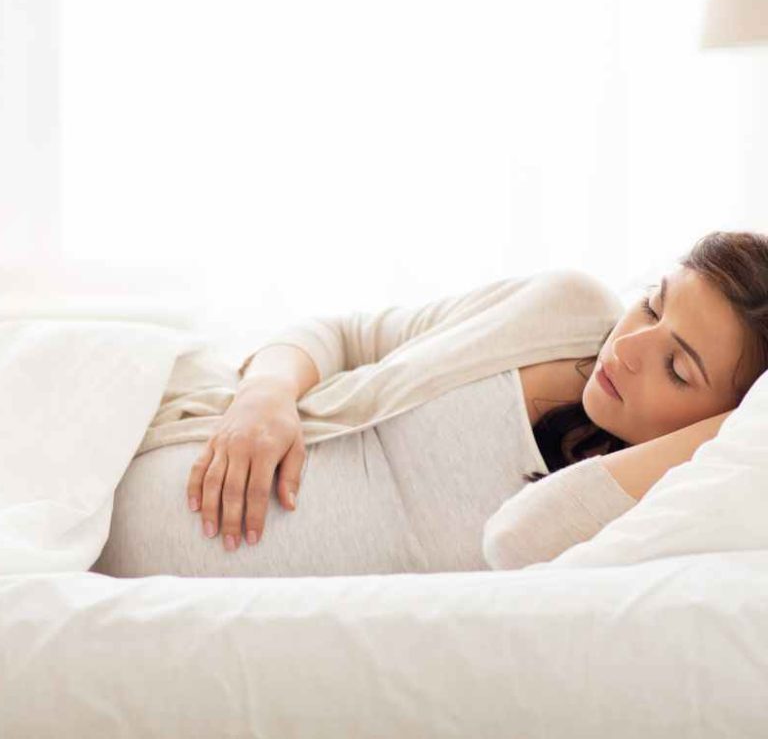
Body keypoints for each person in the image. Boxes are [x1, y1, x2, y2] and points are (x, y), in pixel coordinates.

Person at [89, 230, 768, 578]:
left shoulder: (658, 500)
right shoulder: (568, 305)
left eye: (678, 368)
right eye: (653, 301)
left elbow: (516, 540)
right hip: (141, 430)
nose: (631, 348)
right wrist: (264, 396)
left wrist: (732, 430)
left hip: (94, 545)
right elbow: (344, 335)